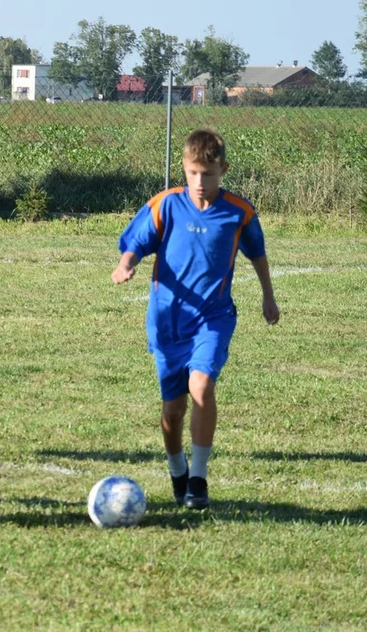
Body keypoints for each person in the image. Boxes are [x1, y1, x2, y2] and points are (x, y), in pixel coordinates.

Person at [111, 128, 280, 509]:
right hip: (168, 321)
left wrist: (269, 297)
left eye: (208, 174)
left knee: (202, 385)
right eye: (192, 174)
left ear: (223, 169)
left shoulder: (239, 211)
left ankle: (199, 481)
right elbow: (136, 244)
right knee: (173, 410)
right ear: (183, 170)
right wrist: (125, 265)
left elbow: (258, 254)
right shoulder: (166, 205)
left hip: (214, 317)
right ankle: (178, 471)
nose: (199, 182)